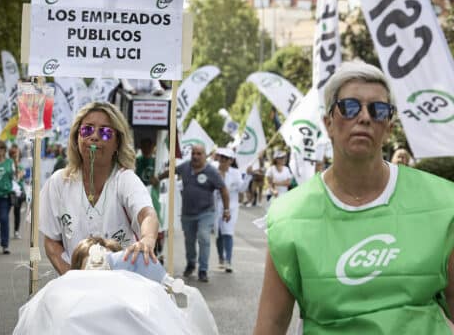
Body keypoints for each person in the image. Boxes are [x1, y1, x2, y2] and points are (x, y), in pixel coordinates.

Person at [254, 61, 454, 334]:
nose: (364, 117)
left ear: (389, 126)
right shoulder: (289, 216)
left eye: (378, 109)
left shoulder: (443, 202)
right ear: (329, 124)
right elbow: (272, 323)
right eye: (349, 107)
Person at [40, 102, 160, 275]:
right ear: (76, 137)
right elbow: (51, 241)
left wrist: (148, 239)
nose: (94, 137)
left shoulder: (125, 179)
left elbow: (147, 214)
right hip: (76, 289)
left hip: (122, 285)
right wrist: (71, 277)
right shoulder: (59, 182)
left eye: (105, 132)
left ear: (117, 143)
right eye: (87, 130)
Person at [151, 144, 229, 283]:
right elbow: (171, 171)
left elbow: (223, 189)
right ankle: (191, 263)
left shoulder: (211, 171)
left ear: (205, 155)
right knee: (189, 241)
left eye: (199, 154)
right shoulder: (185, 167)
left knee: (204, 237)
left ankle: (203, 269)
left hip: (206, 212)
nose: (195, 156)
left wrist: (227, 210)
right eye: (193, 153)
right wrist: (158, 178)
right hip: (188, 213)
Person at [213, 147, 245, 273]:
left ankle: (228, 261)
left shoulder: (236, 173)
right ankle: (221, 257)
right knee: (218, 234)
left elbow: (242, 189)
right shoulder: (213, 170)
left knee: (228, 232)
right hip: (215, 206)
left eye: (225, 158)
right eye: (220, 157)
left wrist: (247, 176)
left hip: (231, 207)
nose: (222, 160)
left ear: (231, 160)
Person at [135, 137, 164, 261]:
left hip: (154, 197)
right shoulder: (136, 161)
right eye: (144, 145)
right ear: (141, 147)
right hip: (139, 197)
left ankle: (158, 250)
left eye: (149, 145)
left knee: (155, 222)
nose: (147, 149)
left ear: (154, 147)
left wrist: (159, 178)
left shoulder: (158, 162)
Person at [8, 144, 25, 239]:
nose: (15, 156)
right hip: (8, 190)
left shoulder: (20, 166)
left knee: (17, 212)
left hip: (18, 192)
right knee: (4, 212)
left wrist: (16, 165)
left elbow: (18, 177)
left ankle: (16, 231)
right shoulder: (7, 165)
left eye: (17, 154)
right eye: (13, 154)